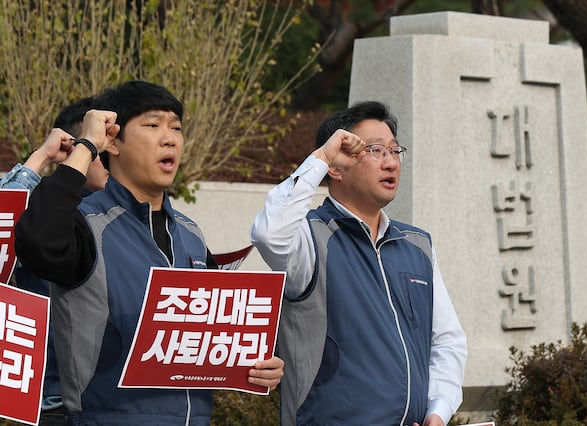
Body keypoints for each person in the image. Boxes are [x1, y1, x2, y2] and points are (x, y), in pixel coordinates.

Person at [15, 80, 283, 425]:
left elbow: (219, 336)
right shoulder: (87, 224)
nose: (169, 138)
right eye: (153, 125)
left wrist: (260, 364)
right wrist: (87, 145)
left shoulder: (190, 234)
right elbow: (37, 239)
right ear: (113, 142)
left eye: (176, 128)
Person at [251, 101, 467, 426]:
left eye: (394, 151)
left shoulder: (417, 245)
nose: (390, 162)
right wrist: (321, 159)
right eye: (376, 150)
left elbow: (446, 340)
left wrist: (438, 410)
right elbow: (268, 234)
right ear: (337, 167)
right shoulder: (310, 238)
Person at [1, 97, 107, 425]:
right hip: (53, 402)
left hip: (115, 402)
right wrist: (41, 157)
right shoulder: (45, 213)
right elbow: (4, 230)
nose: (111, 161)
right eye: (99, 150)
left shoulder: (137, 215)